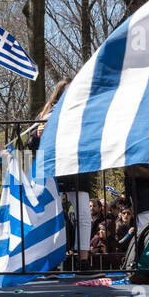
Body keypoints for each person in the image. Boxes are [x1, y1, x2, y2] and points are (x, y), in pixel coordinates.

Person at [30, 79, 97, 268]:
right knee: (54, 215)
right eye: (65, 92)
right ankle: (52, 263)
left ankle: (83, 260)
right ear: (58, 94)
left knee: (84, 214)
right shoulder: (47, 114)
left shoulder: (84, 113)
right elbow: (31, 145)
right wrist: (38, 134)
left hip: (77, 168)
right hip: (55, 168)